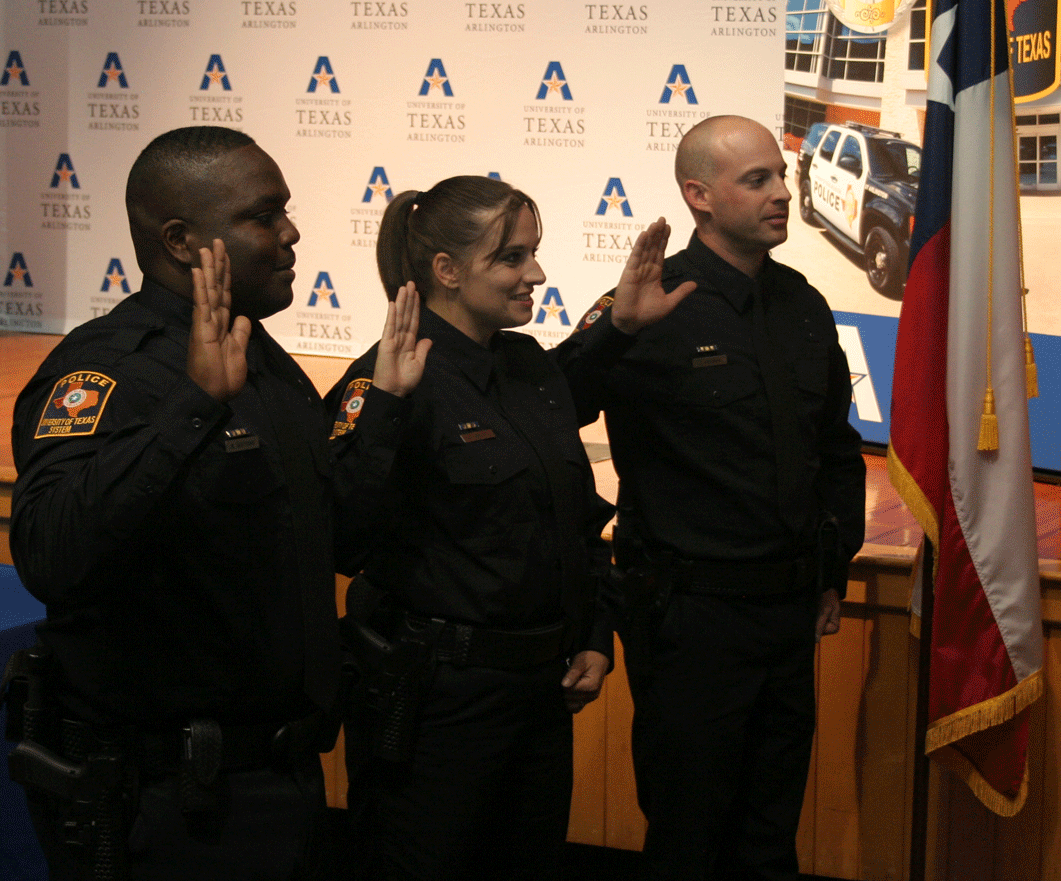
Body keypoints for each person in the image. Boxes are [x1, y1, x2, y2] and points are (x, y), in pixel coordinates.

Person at [327, 176, 687, 881]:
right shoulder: (387, 381)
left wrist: (592, 632)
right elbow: (340, 537)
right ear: (446, 271)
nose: (537, 274)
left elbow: (568, 522)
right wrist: (389, 410)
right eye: (513, 257)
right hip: (438, 704)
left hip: (537, 695)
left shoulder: (524, 366)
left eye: (534, 253)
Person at [7, 126, 341, 881]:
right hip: (170, 806)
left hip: (277, 781)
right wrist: (191, 409)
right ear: (184, 240)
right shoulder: (104, 371)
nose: (291, 233)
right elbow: (51, 553)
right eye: (264, 215)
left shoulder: (261, 359)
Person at [556, 116, 866, 880]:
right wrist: (617, 330)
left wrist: (831, 570)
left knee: (769, 835)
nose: (780, 194)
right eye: (755, 180)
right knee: (690, 832)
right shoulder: (643, 305)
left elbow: (832, 448)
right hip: (691, 620)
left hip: (787, 614)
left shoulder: (800, 302)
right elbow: (552, 404)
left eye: (779, 176)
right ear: (697, 195)